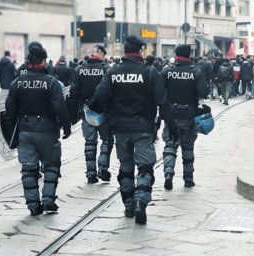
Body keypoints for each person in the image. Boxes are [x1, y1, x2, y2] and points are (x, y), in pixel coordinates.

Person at [88, 35, 179, 224]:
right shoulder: (150, 71)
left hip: (120, 127)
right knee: (145, 167)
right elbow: (162, 101)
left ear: (124, 51)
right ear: (140, 51)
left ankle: (129, 205)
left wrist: (95, 113)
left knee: (126, 167)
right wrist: (172, 126)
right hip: (144, 127)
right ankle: (140, 201)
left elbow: (99, 97)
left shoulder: (113, 71)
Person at [5, 43, 71, 216]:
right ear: (43, 61)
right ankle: (48, 200)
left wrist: (12, 132)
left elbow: (9, 110)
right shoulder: (51, 82)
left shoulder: (17, 82)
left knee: (28, 168)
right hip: (48, 129)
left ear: (28, 62)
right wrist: (66, 126)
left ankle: (33, 204)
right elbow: (60, 106)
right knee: (51, 165)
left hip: (25, 130)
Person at [161, 45, 209, 189]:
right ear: (190, 55)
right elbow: (204, 91)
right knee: (187, 147)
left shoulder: (167, 71)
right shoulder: (196, 71)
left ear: (176, 54)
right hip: (189, 114)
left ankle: (168, 173)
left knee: (170, 145)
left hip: (171, 114)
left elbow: (159, 90)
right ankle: (188, 179)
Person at [70, 44, 113, 184]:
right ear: (101, 54)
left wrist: (74, 112)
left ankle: (90, 173)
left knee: (89, 142)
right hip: (104, 111)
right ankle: (103, 168)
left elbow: (73, 93)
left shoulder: (80, 69)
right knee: (107, 140)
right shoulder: (106, 69)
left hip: (86, 111)